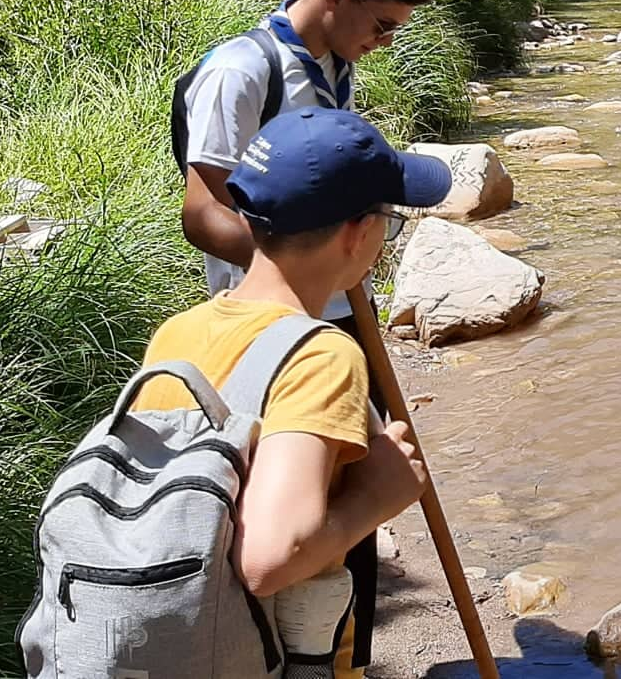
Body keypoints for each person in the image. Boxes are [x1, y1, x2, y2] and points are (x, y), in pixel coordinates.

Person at [137, 107, 449, 677]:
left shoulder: (176, 331)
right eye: (390, 221)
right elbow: (268, 560)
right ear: (360, 233)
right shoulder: (322, 356)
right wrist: (377, 498)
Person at [180, 0, 431, 327]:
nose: (386, 41)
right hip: (270, 316)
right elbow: (203, 213)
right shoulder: (240, 71)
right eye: (382, 26)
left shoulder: (338, 62)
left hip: (343, 300)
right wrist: (309, 270)